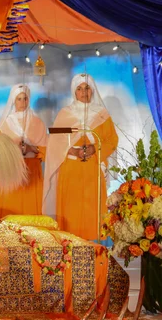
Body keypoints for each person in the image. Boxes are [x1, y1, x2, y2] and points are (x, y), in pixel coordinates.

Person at [43, 74, 118, 241]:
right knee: (71, 210)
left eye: (87, 88)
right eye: (79, 88)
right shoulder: (65, 114)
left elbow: (112, 140)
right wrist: (73, 151)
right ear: (74, 92)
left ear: (92, 91)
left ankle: (94, 251)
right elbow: (55, 141)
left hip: (93, 169)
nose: (84, 92)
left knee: (93, 209)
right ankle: (70, 249)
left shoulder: (102, 114)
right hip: (71, 170)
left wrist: (94, 148)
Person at [0, 84, 47, 221]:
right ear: (13, 101)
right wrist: (14, 150)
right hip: (11, 172)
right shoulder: (5, 123)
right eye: (19, 99)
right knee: (11, 212)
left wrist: (31, 148)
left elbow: (46, 150)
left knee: (31, 213)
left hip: (32, 171)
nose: (22, 102)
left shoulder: (38, 122)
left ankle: (33, 241)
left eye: (25, 98)